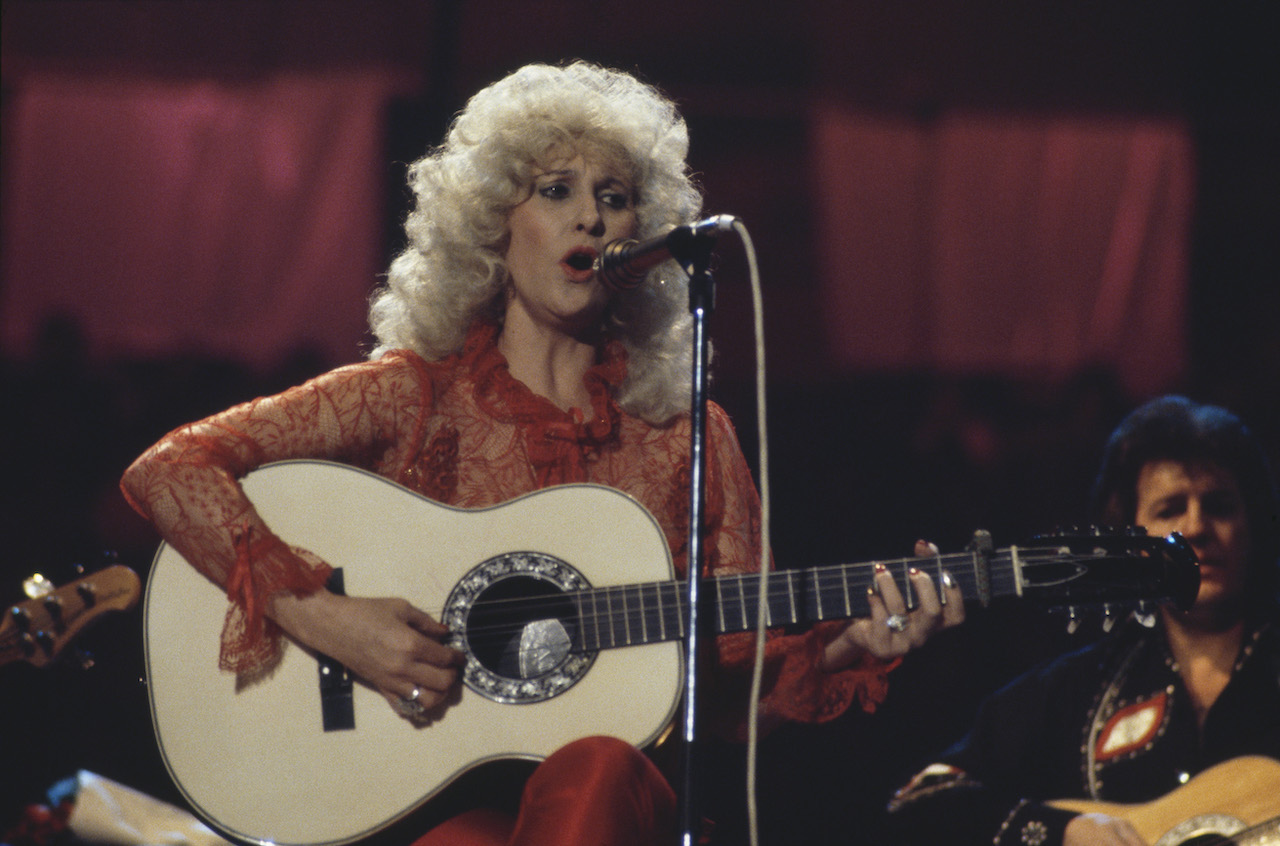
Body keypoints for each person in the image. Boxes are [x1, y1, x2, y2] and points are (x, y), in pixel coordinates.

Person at [121, 61, 963, 846]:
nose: (590, 217)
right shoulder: (413, 394)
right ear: (495, 222)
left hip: (617, 802)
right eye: (555, 190)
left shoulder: (686, 436)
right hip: (437, 792)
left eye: (616, 196)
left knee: (592, 765)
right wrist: (328, 620)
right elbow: (166, 469)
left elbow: (731, 707)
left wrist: (851, 646)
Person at [885, 395, 1280, 846]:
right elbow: (917, 802)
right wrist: (1062, 830)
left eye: (1220, 505)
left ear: (1254, 526)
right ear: (1131, 543)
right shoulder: (1077, 690)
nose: (1196, 527)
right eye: (1169, 509)